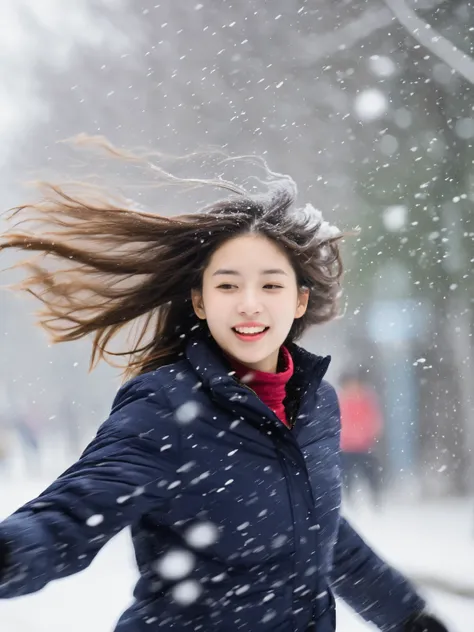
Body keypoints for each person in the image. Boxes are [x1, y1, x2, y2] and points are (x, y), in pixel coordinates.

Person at [0, 146, 449, 632]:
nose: (249, 305)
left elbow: (321, 530)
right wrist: (14, 549)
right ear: (199, 300)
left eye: (271, 286)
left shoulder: (317, 404)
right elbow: (73, 512)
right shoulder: (167, 404)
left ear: (300, 301)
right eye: (228, 286)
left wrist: (407, 617)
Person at [338, 369, 384, 505]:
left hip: (364, 445)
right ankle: (349, 500)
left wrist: (371, 432)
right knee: (347, 476)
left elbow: (374, 418)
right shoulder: (341, 400)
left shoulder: (367, 399)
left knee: (371, 474)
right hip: (346, 446)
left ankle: (376, 498)